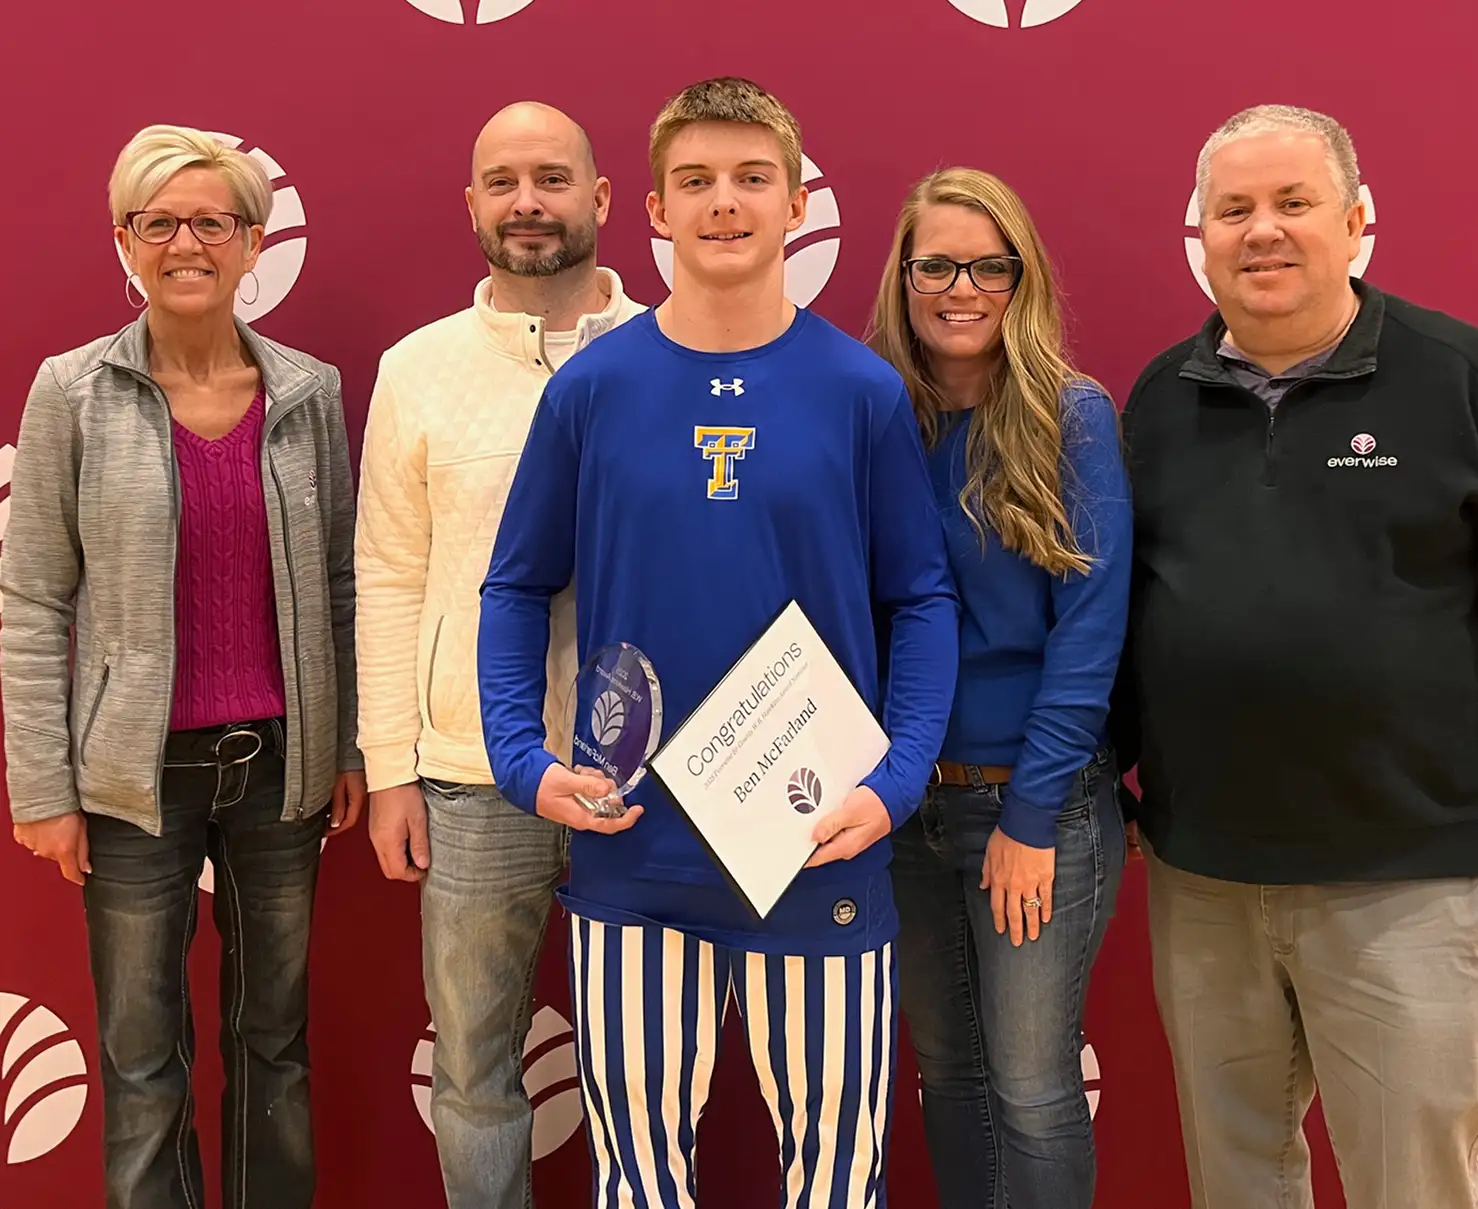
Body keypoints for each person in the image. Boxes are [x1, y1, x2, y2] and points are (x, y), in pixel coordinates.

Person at [477, 77, 959, 1208]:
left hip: (814, 843)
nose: (724, 204)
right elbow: (513, 586)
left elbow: (922, 600)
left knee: (837, 1178)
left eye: (752, 179)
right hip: (633, 848)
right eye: (695, 181)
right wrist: (520, 757)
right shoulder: (591, 390)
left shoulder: (860, 391)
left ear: (798, 204)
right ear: (651, 209)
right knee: (636, 1177)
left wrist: (891, 786)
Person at [1118, 103, 1478, 1209]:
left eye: (1292, 203)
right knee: (1236, 1181)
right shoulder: (1157, 401)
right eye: (1231, 210)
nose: (1262, 231)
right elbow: (1119, 619)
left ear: (1355, 219)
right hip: (1203, 880)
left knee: (1412, 1188)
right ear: (1197, 237)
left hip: (1401, 884)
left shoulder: (1459, 380)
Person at [1, 124, 366, 1209]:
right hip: (129, 783)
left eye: (213, 220)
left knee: (274, 1046)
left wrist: (343, 744)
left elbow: (344, 586)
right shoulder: (71, 392)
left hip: (279, 774)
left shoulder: (310, 394)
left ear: (254, 241)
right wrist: (42, 786)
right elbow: (29, 601)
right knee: (138, 1051)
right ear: (125, 240)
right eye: (159, 222)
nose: (187, 243)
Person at [354, 101, 644, 1209]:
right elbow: (385, 573)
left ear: (603, 201)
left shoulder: (680, 353)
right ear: (472, 205)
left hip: (650, 775)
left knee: (650, 1066)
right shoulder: (417, 369)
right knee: (475, 1070)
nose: (528, 202)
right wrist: (390, 767)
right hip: (472, 777)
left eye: (553, 179)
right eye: (503, 181)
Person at [868, 167, 1130, 1209]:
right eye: (935, 263)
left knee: (1029, 1087)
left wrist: (1027, 816)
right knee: (949, 1075)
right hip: (902, 806)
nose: (959, 286)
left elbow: (1088, 634)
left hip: (1036, 806)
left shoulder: (1070, 417)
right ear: (902, 277)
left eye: (988, 264)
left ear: (1020, 279)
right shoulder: (873, 415)